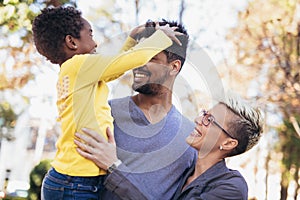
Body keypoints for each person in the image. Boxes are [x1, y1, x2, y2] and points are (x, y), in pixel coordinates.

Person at [32, 6, 181, 199]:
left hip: (72, 180)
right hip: (75, 183)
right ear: (71, 42)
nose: (95, 42)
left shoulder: (79, 72)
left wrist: (132, 38)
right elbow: (129, 60)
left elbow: (117, 67)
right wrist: (163, 37)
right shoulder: (79, 65)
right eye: (90, 34)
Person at [74, 19, 197, 199]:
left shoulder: (191, 138)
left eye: (151, 57)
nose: (138, 63)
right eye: (138, 55)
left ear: (174, 67)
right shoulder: (106, 114)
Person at [75, 94, 263, 200]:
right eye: (204, 113)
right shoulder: (183, 171)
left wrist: (113, 166)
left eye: (210, 120)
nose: (198, 120)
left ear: (228, 143)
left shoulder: (232, 187)